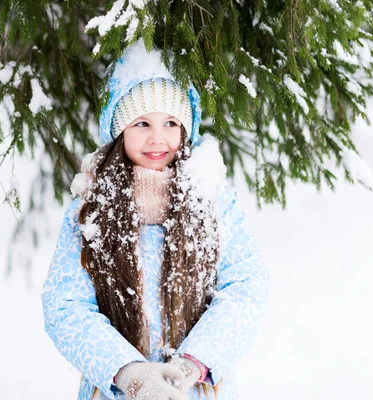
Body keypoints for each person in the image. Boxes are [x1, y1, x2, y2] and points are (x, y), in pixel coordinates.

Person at [40, 40, 272, 400]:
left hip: (195, 391)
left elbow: (244, 288)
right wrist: (129, 373)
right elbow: (65, 306)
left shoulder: (213, 201)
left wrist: (192, 365)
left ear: (185, 130)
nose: (157, 138)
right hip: (117, 392)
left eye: (170, 123)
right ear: (119, 130)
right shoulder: (90, 209)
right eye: (142, 123)